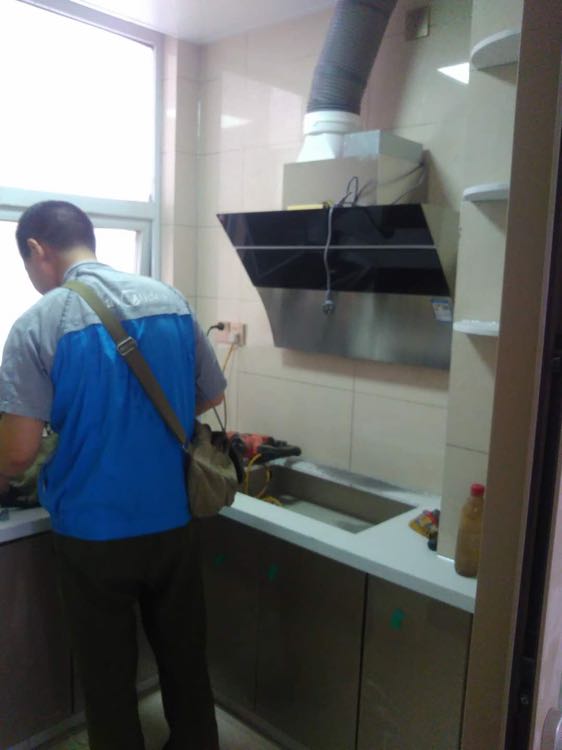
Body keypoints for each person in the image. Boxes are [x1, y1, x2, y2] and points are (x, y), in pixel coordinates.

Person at [0, 200, 226, 750]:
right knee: (185, 658)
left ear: (37, 250)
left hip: (94, 533)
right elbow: (211, 394)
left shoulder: (39, 324)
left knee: (108, 675)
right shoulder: (171, 301)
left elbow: (17, 454)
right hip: (173, 519)